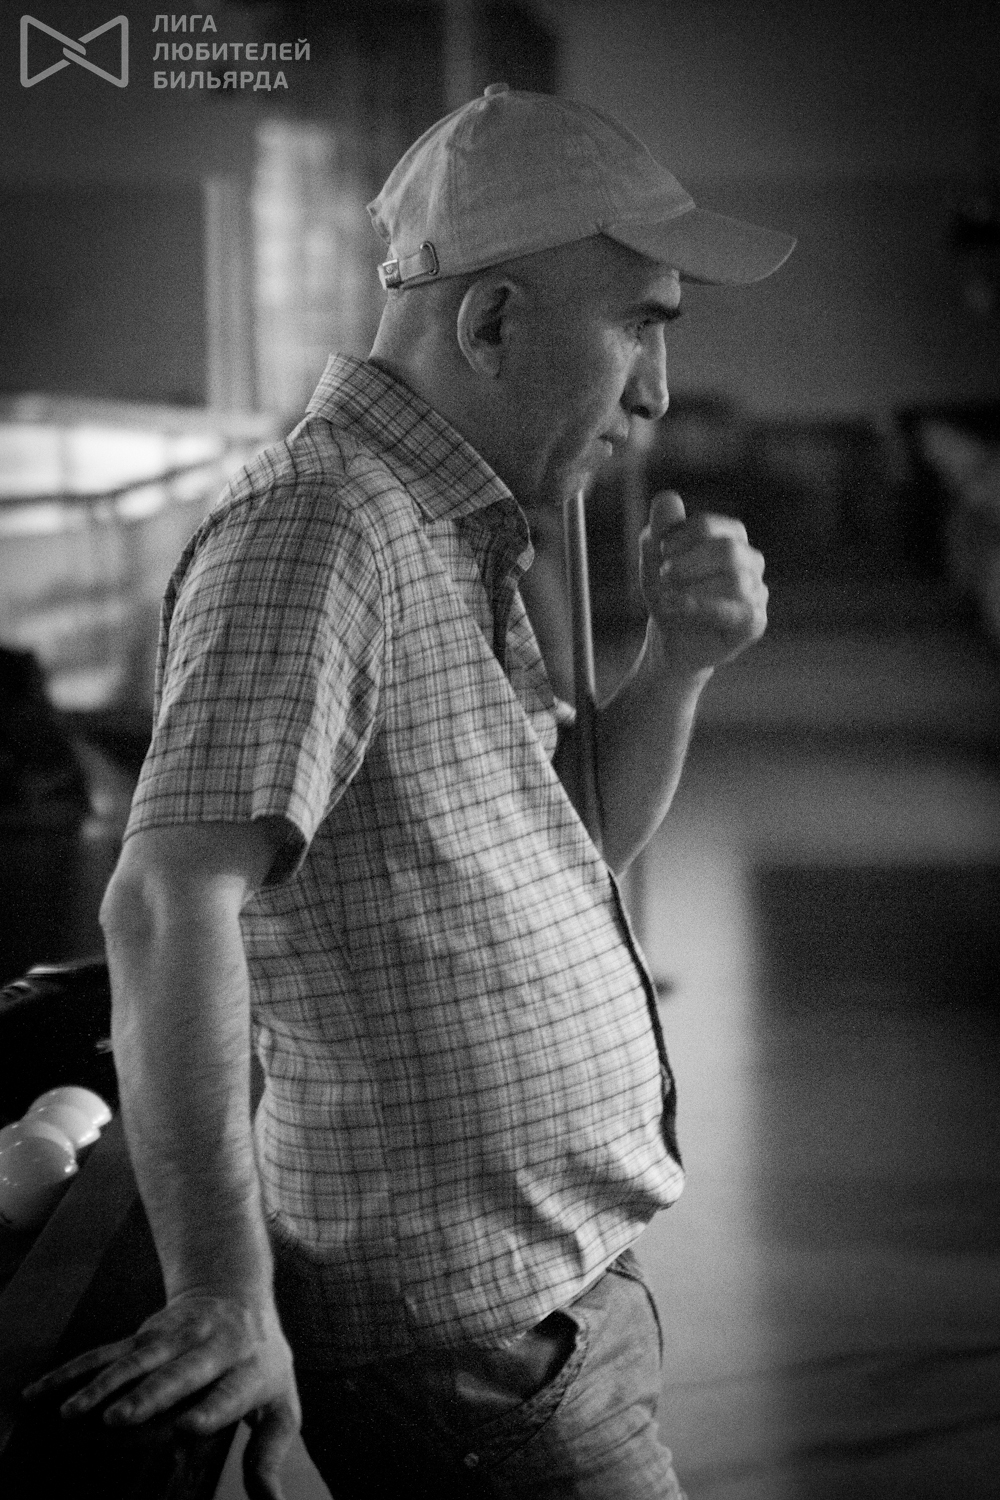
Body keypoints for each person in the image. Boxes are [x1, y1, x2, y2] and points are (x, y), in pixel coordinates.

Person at [26, 86, 793, 1499]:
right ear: (491, 324)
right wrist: (221, 1294)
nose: (655, 390)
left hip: (544, 1309)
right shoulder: (320, 526)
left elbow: (568, 840)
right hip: (467, 1356)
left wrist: (678, 664)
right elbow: (166, 903)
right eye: (639, 325)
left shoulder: (452, 524)